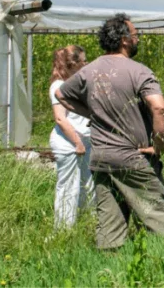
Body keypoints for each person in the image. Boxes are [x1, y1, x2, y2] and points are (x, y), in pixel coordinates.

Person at [55, 13, 164, 250]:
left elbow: (62, 95)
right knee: (160, 217)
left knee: (110, 226)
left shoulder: (89, 70)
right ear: (124, 40)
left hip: (101, 158)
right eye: (135, 35)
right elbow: (159, 107)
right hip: (133, 156)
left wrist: (93, 113)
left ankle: (109, 274)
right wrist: (159, 144)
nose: (138, 39)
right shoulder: (138, 70)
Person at [49, 45, 94, 229]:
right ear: (73, 63)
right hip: (69, 143)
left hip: (83, 141)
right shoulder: (58, 86)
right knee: (69, 187)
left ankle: (87, 223)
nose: (86, 63)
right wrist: (77, 142)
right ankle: (63, 229)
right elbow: (60, 118)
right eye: (83, 61)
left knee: (87, 184)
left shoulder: (75, 83)